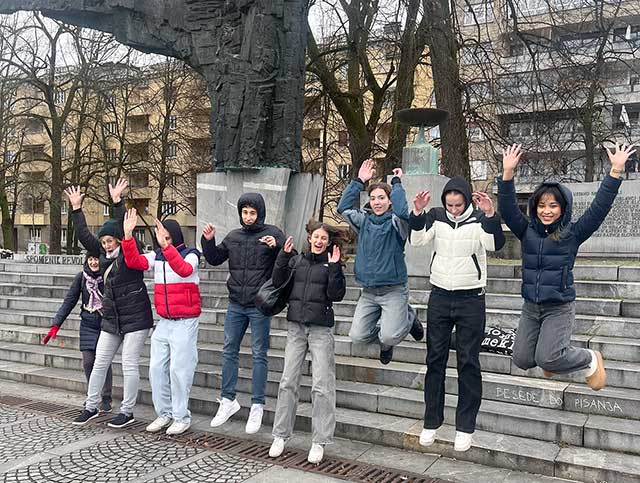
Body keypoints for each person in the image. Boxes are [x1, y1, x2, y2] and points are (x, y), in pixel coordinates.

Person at [498, 143, 636, 392]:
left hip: (558, 307)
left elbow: (598, 209)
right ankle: (552, 358)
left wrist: (615, 172)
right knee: (521, 359)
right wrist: (507, 173)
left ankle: (590, 359)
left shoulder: (572, 234)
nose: (546, 211)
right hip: (531, 308)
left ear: (563, 208)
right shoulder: (526, 230)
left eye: (553, 206)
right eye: (541, 206)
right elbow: (507, 210)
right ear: (534, 208)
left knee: (547, 358)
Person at [409, 177, 505, 452]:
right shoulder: (436, 217)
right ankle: (432, 421)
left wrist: (489, 214)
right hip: (439, 296)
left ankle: (465, 427)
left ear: (465, 200)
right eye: (449, 204)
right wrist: (417, 213)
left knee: (468, 361)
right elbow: (416, 240)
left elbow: (493, 245)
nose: (453, 208)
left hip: (471, 298)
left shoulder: (477, 220)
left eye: (457, 204)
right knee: (435, 359)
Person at [67, 180, 154, 428]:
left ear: (118, 240)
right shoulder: (102, 255)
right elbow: (84, 235)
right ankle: (91, 406)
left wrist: (117, 202)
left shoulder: (130, 252)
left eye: (110, 241)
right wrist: (76, 209)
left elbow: (124, 230)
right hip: (112, 319)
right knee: (99, 362)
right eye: (103, 242)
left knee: (128, 363)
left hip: (136, 318)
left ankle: (127, 411)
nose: (106, 245)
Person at [202, 193, 285, 434]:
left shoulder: (272, 233)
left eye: (252, 212)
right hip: (236, 303)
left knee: (259, 353)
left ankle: (257, 404)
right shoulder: (233, 236)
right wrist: (208, 241)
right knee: (229, 350)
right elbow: (216, 258)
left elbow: (287, 262)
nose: (248, 217)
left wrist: (277, 248)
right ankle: (228, 400)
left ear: (260, 213)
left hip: (259, 304)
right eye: (244, 212)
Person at [268, 221, 346, 464]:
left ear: (328, 241)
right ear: (310, 238)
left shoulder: (331, 264)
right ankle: (280, 435)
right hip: (296, 328)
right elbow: (278, 280)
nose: (319, 241)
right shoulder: (297, 261)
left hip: (321, 329)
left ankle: (319, 440)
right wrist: (282, 255)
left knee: (322, 385)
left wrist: (334, 268)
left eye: (323, 238)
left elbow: (337, 295)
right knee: (287, 381)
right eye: (315, 237)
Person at [120, 208, 201, 436]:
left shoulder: (191, 254)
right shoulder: (157, 257)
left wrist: (166, 247)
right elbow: (134, 261)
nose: (160, 238)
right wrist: (127, 236)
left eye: (165, 234)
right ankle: (164, 413)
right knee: (156, 369)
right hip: (164, 321)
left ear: (173, 235)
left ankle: (181, 416)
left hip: (186, 321)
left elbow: (184, 270)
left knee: (179, 370)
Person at [337, 159, 423, 365]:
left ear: (389, 201)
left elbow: (403, 213)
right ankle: (399, 324)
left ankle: (404, 322)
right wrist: (359, 180)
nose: (376, 202)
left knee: (390, 336)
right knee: (357, 337)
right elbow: (342, 208)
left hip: (393, 289)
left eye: (382, 198)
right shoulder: (364, 221)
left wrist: (397, 184)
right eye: (373, 198)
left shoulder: (397, 223)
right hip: (368, 292)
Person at [43, 251, 113, 413]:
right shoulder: (81, 277)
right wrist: (56, 324)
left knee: (103, 361)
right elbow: (69, 301)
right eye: (91, 259)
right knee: (88, 361)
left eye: (96, 259)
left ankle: (107, 397)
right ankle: (93, 395)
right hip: (87, 324)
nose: (93, 262)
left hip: (105, 324)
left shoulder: (108, 276)